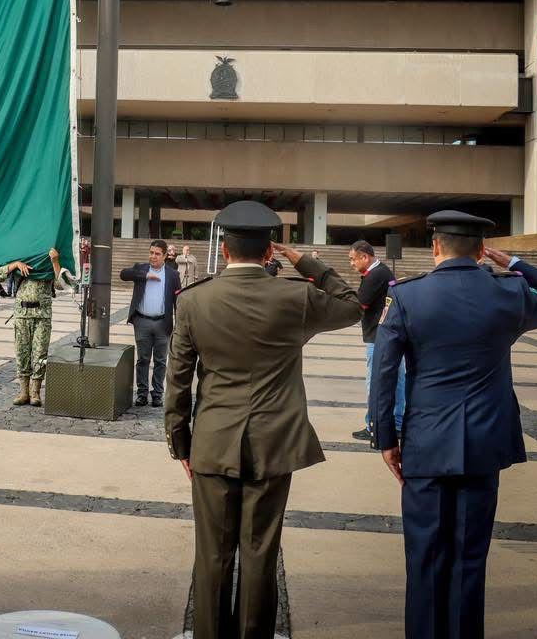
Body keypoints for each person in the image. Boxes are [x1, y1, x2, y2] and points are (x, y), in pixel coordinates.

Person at [372, 211, 537, 639]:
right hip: (484, 444)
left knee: (426, 555)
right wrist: (515, 263)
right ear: (482, 250)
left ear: (435, 247)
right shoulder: (509, 293)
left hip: (426, 444)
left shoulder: (408, 297)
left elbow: (385, 375)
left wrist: (387, 439)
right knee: (469, 558)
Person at [166, 200, 362, 639]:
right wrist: (307, 260)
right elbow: (353, 305)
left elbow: (176, 383)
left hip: (214, 443)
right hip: (274, 443)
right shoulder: (296, 297)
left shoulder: (195, 302)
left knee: (213, 554)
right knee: (259, 550)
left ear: (225, 250)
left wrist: (181, 444)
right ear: (269, 252)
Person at [0, 246, 75, 407]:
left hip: (42, 315)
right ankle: (24, 392)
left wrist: (55, 261)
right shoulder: (21, 257)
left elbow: (61, 284)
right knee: (22, 353)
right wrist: (15, 264)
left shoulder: (47, 263)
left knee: (40, 354)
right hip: (22, 314)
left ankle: (35, 392)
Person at [120, 239, 182, 407]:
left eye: (157, 254)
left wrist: (180, 325)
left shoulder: (172, 275)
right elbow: (123, 274)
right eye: (151, 252)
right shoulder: (141, 268)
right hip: (142, 321)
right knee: (143, 360)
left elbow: (178, 300)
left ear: (164, 255)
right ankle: (141, 394)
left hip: (163, 323)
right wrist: (145, 275)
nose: (153, 256)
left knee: (161, 361)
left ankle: (157, 394)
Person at [349, 239, 398, 443]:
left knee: (376, 382)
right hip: (388, 334)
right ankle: (397, 423)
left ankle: (373, 426)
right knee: (396, 381)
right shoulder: (380, 271)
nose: (351, 263)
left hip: (377, 336)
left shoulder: (375, 275)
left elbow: (360, 303)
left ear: (365, 257)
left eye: (353, 259)